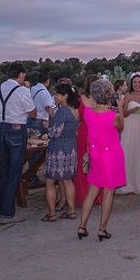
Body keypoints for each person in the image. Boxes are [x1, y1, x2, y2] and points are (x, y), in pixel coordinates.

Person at [77, 79, 125, 242]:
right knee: (108, 191)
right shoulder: (114, 116)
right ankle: (102, 229)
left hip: (95, 154)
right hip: (110, 155)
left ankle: (82, 226)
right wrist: (120, 106)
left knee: (92, 190)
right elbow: (121, 128)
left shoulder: (88, 113)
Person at [0, 62, 37, 225]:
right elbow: (32, 113)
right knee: (14, 171)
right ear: (21, 75)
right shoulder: (22, 90)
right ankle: (8, 213)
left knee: (2, 169)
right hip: (16, 130)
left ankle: (2, 208)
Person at [42, 83, 79, 222]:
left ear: (65, 96)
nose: (55, 97)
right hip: (70, 147)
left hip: (58, 149)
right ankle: (71, 210)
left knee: (50, 181)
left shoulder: (62, 111)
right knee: (68, 180)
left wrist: (48, 123)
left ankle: (51, 213)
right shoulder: (75, 110)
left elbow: (54, 132)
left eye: (58, 94)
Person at [117, 72, 140, 195]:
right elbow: (123, 113)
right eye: (135, 82)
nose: (137, 84)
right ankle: (129, 184)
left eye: (139, 82)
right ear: (132, 84)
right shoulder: (127, 96)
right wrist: (131, 110)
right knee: (129, 152)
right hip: (130, 127)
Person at [74, 75, 103, 208]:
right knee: (85, 164)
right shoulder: (81, 99)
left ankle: (96, 196)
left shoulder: (102, 100)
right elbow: (76, 118)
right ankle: (86, 195)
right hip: (86, 135)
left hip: (97, 135)